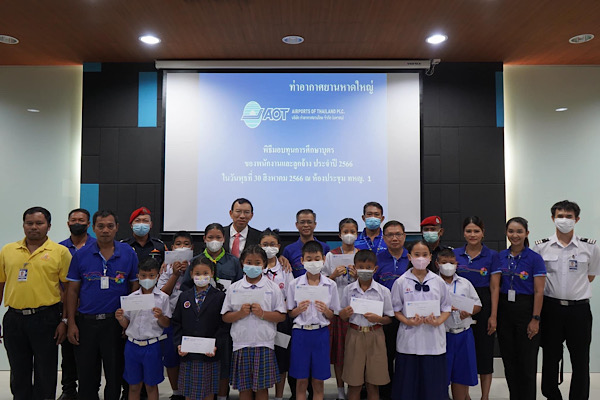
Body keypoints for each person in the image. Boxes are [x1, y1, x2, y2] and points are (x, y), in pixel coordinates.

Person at [66, 209, 139, 400]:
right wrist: (71, 323)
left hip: (114, 324)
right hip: (86, 323)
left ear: (117, 228)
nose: (105, 230)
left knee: (115, 375)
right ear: (93, 228)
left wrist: (128, 321)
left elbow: (134, 287)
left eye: (110, 226)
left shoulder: (128, 253)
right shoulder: (81, 255)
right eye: (101, 226)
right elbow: (72, 291)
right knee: (87, 376)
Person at [0, 206, 72, 400]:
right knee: (18, 369)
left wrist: (64, 321)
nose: (34, 227)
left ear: (48, 226)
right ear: (23, 225)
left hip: (46, 318)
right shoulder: (8, 250)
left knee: (45, 370)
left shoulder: (61, 252)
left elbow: (69, 291)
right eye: (29, 223)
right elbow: (0, 285)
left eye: (39, 223)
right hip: (14, 319)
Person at [533, 200, 600, 400]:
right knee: (550, 357)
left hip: (579, 311)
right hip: (551, 309)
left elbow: (590, 275)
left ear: (577, 219)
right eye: (560, 216)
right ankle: (552, 395)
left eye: (569, 216)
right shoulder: (541, 247)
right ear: (553, 218)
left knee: (581, 359)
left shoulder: (590, 247)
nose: (564, 220)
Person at [222, 245, 287, 400]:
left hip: (264, 344)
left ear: (264, 265)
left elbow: (281, 315)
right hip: (241, 344)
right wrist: (239, 313)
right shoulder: (234, 288)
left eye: (257, 263)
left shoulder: (272, 288)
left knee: (262, 389)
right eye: (249, 262)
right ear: (242, 264)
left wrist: (263, 314)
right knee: (244, 389)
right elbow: (225, 316)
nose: (253, 266)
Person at [390, 240, 452, 399]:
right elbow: (396, 310)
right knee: (408, 387)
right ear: (409, 257)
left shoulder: (438, 282)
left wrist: (438, 321)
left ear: (431, 257)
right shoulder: (401, 282)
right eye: (417, 255)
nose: (421, 258)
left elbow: (446, 308)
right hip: (409, 342)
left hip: (433, 341)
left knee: (433, 388)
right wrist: (407, 321)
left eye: (424, 255)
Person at [495, 217, 546, 400]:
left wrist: (536, 318)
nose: (514, 235)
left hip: (527, 311)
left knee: (527, 363)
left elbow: (539, 291)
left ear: (526, 234)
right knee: (510, 361)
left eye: (519, 232)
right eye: (511, 231)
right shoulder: (500, 256)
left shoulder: (535, 258)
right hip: (505, 312)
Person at [453, 216, 500, 400]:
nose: (472, 235)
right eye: (468, 231)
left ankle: (485, 395)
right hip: (459, 307)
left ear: (483, 232)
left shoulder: (492, 255)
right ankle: (464, 395)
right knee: (463, 352)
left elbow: (495, 287)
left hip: (485, 306)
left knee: (485, 351)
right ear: (463, 232)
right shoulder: (455, 254)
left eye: (476, 231)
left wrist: (493, 315)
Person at [287, 241, 341, 400]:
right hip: (301, 334)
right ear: (302, 261)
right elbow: (290, 313)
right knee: (301, 380)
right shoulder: (294, 284)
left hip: (321, 334)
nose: (313, 263)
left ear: (323, 259)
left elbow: (333, 314)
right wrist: (298, 310)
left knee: (318, 380)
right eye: (309, 259)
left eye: (316, 259)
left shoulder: (330, 285)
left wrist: (326, 311)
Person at [339, 249, 394, 400]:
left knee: (373, 384)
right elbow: (341, 315)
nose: (364, 270)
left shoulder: (383, 291)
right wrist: (346, 313)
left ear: (375, 269)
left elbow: (389, 317)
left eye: (368, 267)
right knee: (354, 383)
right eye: (361, 267)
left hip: (375, 335)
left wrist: (379, 318)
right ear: (354, 268)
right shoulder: (348, 290)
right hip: (354, 334)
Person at [172, 256, 228, 400]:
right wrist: (179, 344)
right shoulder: (184, 296)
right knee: (189, 392)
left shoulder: (220, 297)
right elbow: (177, 323)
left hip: (210, 354)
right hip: (188, 354)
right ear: (191, 274)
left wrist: (216, 345)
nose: (201, 277)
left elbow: (223, 326)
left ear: (212, 274)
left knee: (208, 392)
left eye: (205, 273)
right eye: (197, 274)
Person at [116, 258, 172, 400]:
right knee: (134, 386)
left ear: (157, 276)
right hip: (132, 346)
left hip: (152, 346)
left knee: (151, 385)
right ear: (138, 276)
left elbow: (166, 324)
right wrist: (120, 318)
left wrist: (160, 317)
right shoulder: (131, 297)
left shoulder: (163, 298)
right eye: (143, 276)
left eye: (151, 276)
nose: (147, 279)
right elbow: (127, 324)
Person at [58, 208, 98, 400]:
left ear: (88, 224)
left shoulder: (97, 246)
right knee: (68, 351)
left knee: (89, 353)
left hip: (91, 307)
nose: (77, 223)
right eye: (73, 219)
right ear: (68, 223)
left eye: (81, 220)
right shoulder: (59, 248)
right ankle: (68, 389)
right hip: (66, 306)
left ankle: (89, 390)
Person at [438, 248, 481, 400]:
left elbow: (478, 305)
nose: (448, 266)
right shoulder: (433, 283)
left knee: (461, 375)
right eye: (444, 263)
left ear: (457, 264)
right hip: (442, 335)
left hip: (463, 333)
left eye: (451, 262)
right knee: (440, 377)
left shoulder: (465, 283)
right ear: (437, 264)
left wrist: (469, 311)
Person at [323, 218, 359, 400]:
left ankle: (354, 387)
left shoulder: (361, 254)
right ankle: (339, 390)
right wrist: (332, 275)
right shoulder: (331, 255)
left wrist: (358, 276)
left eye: (352, 231)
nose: (349, 235)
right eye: (345, 231)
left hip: (355, 309)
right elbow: (321, 282)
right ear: (339, 234)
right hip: (336, 309)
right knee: (338, 354)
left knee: (352, 353)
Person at [373, 220, 409, 400]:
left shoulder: (413, 257)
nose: (394, 238)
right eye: (390, 235)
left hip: (409, 317)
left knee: (405, 357)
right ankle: (386, 394)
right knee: (385, 358)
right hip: (385, 317)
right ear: (384, 238)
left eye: (398, 234)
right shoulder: (377, 260)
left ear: (404, 236)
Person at [157, 231, 193, 400]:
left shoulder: (197, 265)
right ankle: (176, 392)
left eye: (186, 244)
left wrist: (189, 271)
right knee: (171, 357)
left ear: (192, 247)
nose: (182, 247)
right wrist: (175, 274)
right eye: (178, 244)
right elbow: (162, 293)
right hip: (171, 319)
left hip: (192, 320)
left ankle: (191, 390)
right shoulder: (166, 267)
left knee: (191, 356)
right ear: (172, 248)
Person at [259, 228, 294, 400]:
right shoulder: (255, 267)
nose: (269, 248)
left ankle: (279, 396)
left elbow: (291, 294)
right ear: (259, 246)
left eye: (272, 244)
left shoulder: (285, 268)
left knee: (281, 359)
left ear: (279, 246)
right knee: (262, 359)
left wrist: (280, 309)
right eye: (265, 244)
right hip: (259, 320)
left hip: (281, 320)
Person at [283, 209, 331, 278]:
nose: (306, 225)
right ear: (296, 225)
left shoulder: (325, 247)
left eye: (309, 222)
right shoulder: (289, 250)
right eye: (302, 222)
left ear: (315, 224)